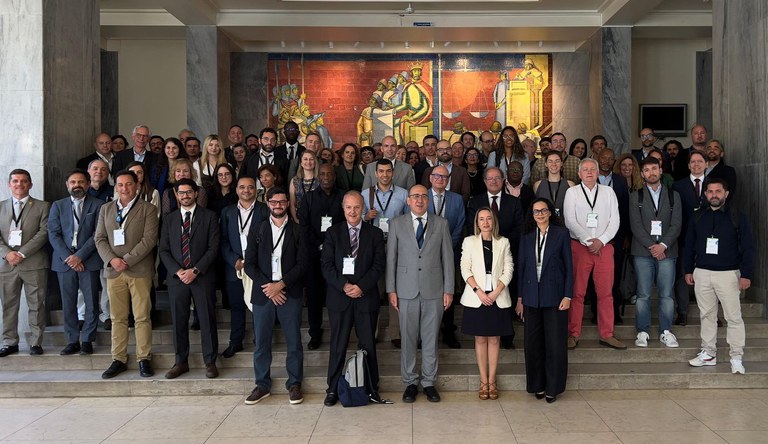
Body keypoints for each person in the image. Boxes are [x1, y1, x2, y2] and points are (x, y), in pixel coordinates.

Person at [386, 184, 454, 403]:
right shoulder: (396, 224)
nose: (419, 200)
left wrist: (449, 289)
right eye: (415, 196)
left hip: (434, 289)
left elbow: (448, 259)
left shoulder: (441, 224)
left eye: (424, 196)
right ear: (408, 200)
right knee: (407, 338)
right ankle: (410, 382)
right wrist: (391, 289)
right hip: (405, 290)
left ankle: (429, 382)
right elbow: (391, 260)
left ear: (428, 200)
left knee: (431, 338)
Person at [321, 191, 386, 406]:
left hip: (366, 298)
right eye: (348, 207)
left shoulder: (375, 234)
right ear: (343, 208)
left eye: (357, 207)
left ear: (363, 209)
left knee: (368, 344)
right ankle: (332, 389)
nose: (352, 211)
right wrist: (345, 286)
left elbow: (378, 266)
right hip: (340, 298)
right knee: (338, 345)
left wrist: (361, 287)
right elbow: (327, 266)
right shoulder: (333, 233)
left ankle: (371, 387)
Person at [243, 187, 308, 405]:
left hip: (290, 292)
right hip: (263, 295)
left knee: (294, 342)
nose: (278, 206)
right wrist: (268, 287)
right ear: (267, 203)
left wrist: (280, 285)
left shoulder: (299, 231)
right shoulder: (258, 229)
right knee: (261, 342)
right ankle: (262, 384)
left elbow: (303, 264)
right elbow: (249, 264)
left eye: (282, 202)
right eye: (274, 202)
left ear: (287, 204)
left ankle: (295, 383)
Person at [684, 179, 754, 374]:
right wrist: (688, 270)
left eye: (718, 191)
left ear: (726, 194)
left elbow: (748, 247)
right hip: (702, 273)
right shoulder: (697, 217)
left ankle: (736, 357)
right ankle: (708, 353)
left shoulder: (737, 216)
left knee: (733, 317)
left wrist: (746, 274)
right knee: (707, 315)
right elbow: (689, 245)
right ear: (705, 194)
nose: (714, 195)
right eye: (710, 191)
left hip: (729, 274)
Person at [94, 170, 158, 378]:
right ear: (116, 187)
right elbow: (100, 239)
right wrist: (112, 260)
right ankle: (118, 359)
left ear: (137, 186)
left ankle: (143, 358)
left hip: (138, 270)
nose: (124, 188)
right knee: (118, 318)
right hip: (113, 271)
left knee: (141, 317)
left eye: (128, 184)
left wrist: (127, 260)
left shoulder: (147, 209)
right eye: (120, 185)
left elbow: (149, 240)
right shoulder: (106, 209)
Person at [159, 179, 221, 379]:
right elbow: (164, 250)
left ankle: (210, 361)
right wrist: (178, 271)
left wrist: (195, 270)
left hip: (202, 277)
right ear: (176, 195)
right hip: (177, 279)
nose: (185, 196)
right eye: (181, 193)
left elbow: (213, 248)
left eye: (189, 192)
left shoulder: (210, 217)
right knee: (179, 321)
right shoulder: (169, 219)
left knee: (207, 320)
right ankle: (181, 361)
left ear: (195, 193)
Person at [563, 159, 626, 350]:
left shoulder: (608, 192)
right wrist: (587, 240)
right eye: (585, 170)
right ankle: (573, 333)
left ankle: (607, 334)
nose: (589, 172)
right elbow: (569, 220)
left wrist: (602, 240)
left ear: (598, 173)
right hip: (580, 247)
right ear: (579, 174)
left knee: (606, 293)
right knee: (577, 293)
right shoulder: (572, 192)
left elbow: (615, 219)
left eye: (593, 169)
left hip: (604, 248)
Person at [516, 197, 573, 403]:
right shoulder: (527, 236)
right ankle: (537, 385)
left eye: (543, 210)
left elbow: (569, 267)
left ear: (550, 212)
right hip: (531, 298)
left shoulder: (561, 234)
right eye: (535, 211)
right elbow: (522, 268)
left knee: (555, 345)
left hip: (555, 297)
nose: (539, 214)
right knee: (533, 345)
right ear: (532, 215)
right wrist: (520, 298)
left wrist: (568, 295)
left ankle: (553, 387)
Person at [466, 166, 524, 349]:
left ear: (503, 180)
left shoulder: (514, 202)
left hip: (506, 256)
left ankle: (507, 337)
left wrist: (498, 240)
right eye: (489, 178)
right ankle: (484, 334)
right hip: (479, 257)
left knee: (505, 296)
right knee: (484, 297)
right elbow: (470, 227)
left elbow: (519, 229)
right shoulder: (475, 202)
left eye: (497, 178)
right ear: (484, 181)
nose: (493, 181)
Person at [460, 207, 514, 400]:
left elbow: (508, 269)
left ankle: (492, 380)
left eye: (488, 219)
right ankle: (483, 381)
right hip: (477, 297)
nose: (485, 222)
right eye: (481, 219)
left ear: (494, 221)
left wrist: (496, 291)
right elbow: (465, 269)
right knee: (480, 339)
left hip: (497, 297)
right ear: (477, 222)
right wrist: (479, 292)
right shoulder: (469, 242)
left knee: (494, 339)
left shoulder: (503, 242)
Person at [48, 170, 104, 356]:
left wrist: (79, 256)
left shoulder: (98, 205)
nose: (76, 185)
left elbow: (98, 234)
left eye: (81, 181)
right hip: (64, 262)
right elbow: (53, 234)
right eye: (73, 182)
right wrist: (69, 257)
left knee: (91, 302)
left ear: (88, 184)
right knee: (68, 302)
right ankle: (72, 340)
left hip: (89, 259)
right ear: (67, 184)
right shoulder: (58, 205)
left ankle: (87, 339)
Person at [629, 157, 683, 348]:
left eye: (654, 168)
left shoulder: (673, 195)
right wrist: (653, 246)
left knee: (667, 294)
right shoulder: (636, 196)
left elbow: (677, 224)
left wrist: (663, 246)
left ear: (661, 171)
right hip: (643, 252)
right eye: (647, 170)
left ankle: (666, 331)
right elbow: (635, 225)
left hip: (667, 252)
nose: (651, 172)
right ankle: (642, 331)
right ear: (642, 174)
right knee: (643, 294)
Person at [0, 170, 50, 357]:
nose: (19, 184)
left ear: (30, 184)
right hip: (7, 265)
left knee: (36, 305)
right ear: (9, 184)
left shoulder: (43, 206)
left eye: (23, 181)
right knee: (8, 305)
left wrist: (21, 252)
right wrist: (8, 254)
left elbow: (44, 233)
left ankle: (36, 342)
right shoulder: (0, 206)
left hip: (34, 263)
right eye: (15, 181)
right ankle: (9, 342)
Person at [298, 164, 345, 350]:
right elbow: (304, 225)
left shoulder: (342, 196)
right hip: (313, 254)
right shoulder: (308, 198)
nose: (326, 177)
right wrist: (320, 243)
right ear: (318, 177)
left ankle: (338, 332)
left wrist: (331, 245)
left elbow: (346, 223)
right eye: (323, 174)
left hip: (337, 254)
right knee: (314, 296)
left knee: (336, 294)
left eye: (329, 174)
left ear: (335, 176)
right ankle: (315, 333)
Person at [219, 176, 268, 358]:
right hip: (235, 267)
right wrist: (234, 260)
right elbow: (223, 241)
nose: (246, 190)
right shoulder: (227, 212)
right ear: (236, 190)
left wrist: (253, 261)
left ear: (256, 190)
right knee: (237, 305)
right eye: (242, 187)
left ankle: (260, 340)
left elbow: (270, 239)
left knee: (258, 306)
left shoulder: (264, 210)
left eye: (250, 187)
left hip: (258, 268)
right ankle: (235, 342)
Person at [427, 165, 466, 349]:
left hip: (449, 251)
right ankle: (427, 333)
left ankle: (448, 330)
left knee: (447, 291)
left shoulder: (457, 199)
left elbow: (460, 225)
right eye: (437, 176)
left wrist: (447, 246)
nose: (440, 179)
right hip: (425, 255)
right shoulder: (421, 196)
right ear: (430, 178)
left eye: (444, 176)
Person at [672, 150, 707, 326]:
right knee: (683, 275)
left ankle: (712, 315)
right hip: (684, 237)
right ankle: (682, 312)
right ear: (688, 166)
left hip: (709, 240)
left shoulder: (714, 184)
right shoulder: (679, 186)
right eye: (692, 162)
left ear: (706, 164)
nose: (696, 164)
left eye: (700, 161)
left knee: (709, 276)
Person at [533, 151, 574, 216]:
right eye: (550, 161)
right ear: (546, 164)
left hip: (565, 223)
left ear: (561, 163)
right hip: (545, 223)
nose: (554, 164)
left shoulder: (570, 184)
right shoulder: (537, 185)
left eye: (557, 161)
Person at [289, 150, 320, 223]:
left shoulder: (320, 180)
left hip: (317, 219)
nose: (308, 162)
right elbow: (292, 204)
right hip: (300, 218)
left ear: (315, 162)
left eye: (311, 159)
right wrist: (296, 220)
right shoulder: (294, 180)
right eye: (305, 159)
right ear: (301, 163)